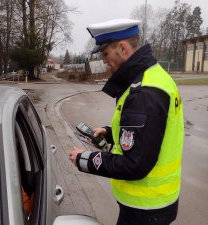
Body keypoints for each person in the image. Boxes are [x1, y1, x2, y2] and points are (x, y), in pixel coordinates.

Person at [69, 19, 184, 225]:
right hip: (151, 205)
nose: (104, 61)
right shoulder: (152, 76)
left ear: (122, 48)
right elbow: (150, 133)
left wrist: (84, 159)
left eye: (105, 53)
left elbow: (134, 165)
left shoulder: (144, 92)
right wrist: (110, 132)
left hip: (146, 209)